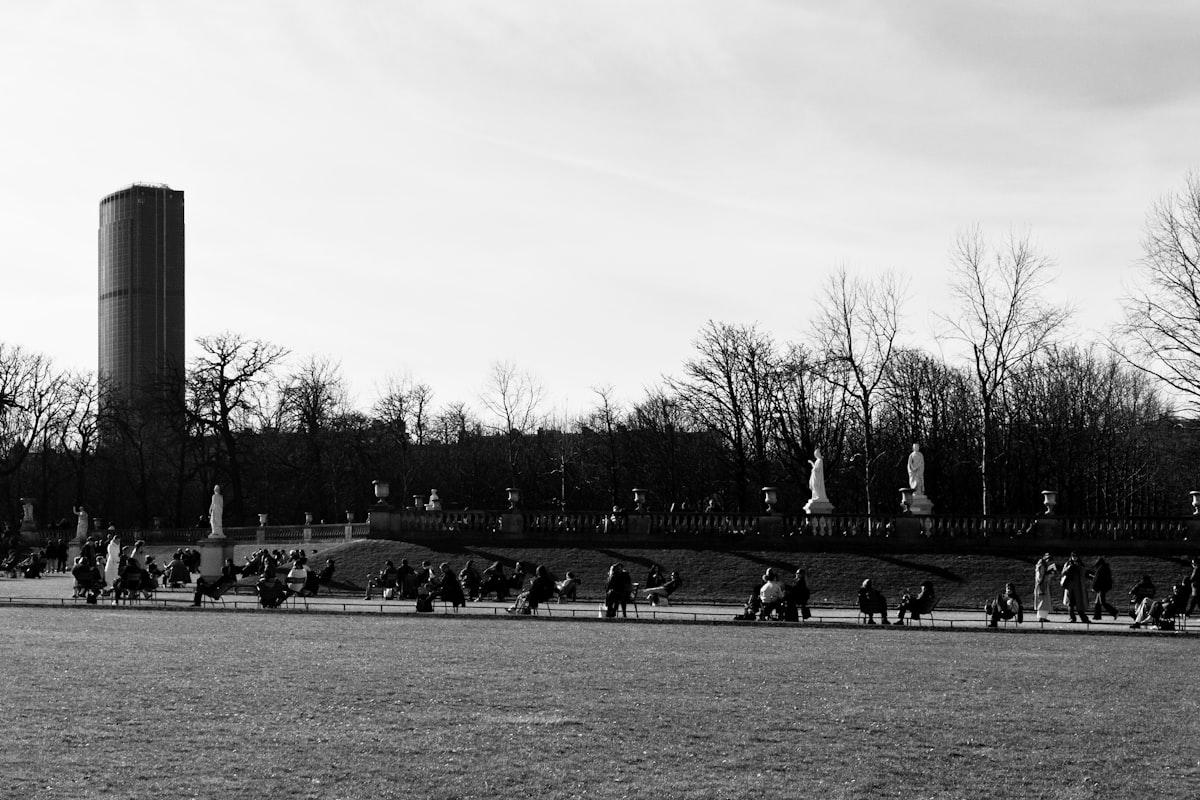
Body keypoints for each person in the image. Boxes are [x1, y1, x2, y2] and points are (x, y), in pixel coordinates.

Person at [1059, 552, 1090, 624]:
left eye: (1076, 556)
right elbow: (1063, 572)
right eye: (1073, 556)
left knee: (1080, 604)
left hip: (1079, 587)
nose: (1074, 557)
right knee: (1071, 604)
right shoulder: (1068, 564)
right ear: (1071, 556)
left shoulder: (1080, 564)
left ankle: (1084, 619)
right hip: (1070, 588)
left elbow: (1084, 573)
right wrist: (1068, 568)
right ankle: (1072, 618)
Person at [1089, 556, 1118, 621]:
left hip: (1102, 587)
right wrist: (1094, 577)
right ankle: (1097, 616)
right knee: (1097, 602)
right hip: (1103, 586)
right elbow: (1100, 578)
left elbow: (1097, 579)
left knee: (1102, 602)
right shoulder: (1105, 568)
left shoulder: (1101, 569)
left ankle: (1115, 612)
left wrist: (1094, 586)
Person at [1033, 553, 1057, 622]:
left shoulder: (1042, 565)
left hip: (1043, 585)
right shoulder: (1042, 565)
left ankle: (1043, 617)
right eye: (1048, 559)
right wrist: (1049, 574)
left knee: (1044, 601)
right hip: (1042, 586)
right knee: (1043, 602)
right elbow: (1040, 578)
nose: (1049, 561)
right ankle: (1041, 617)